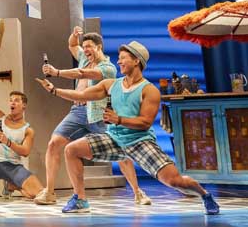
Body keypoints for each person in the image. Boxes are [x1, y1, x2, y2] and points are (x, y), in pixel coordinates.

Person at [35, 41, 220, 215]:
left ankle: (204, 194)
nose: (118, 62)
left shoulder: (149, 90)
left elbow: (145, 123)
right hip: (114, 139)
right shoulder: (111, 85)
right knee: (71, 150)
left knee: (174, 181)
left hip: (139, 141)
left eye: (123, 58)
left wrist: (118, 119)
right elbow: (82, 95)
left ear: (136, 61)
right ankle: (80, 200)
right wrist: (54, 90)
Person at [34, 27, 151, 206]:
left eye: (89, 46)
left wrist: (56, 72)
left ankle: (138, 192)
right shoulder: (84, 58)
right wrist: (74, 35)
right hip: (78, 111)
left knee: (121, 152)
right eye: (85, 46)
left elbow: (82, 73)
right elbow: (72, 45)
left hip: (100, 114)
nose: (85, 49)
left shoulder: (108, 68)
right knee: (54, 143)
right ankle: (49, 192)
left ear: (99, 47)